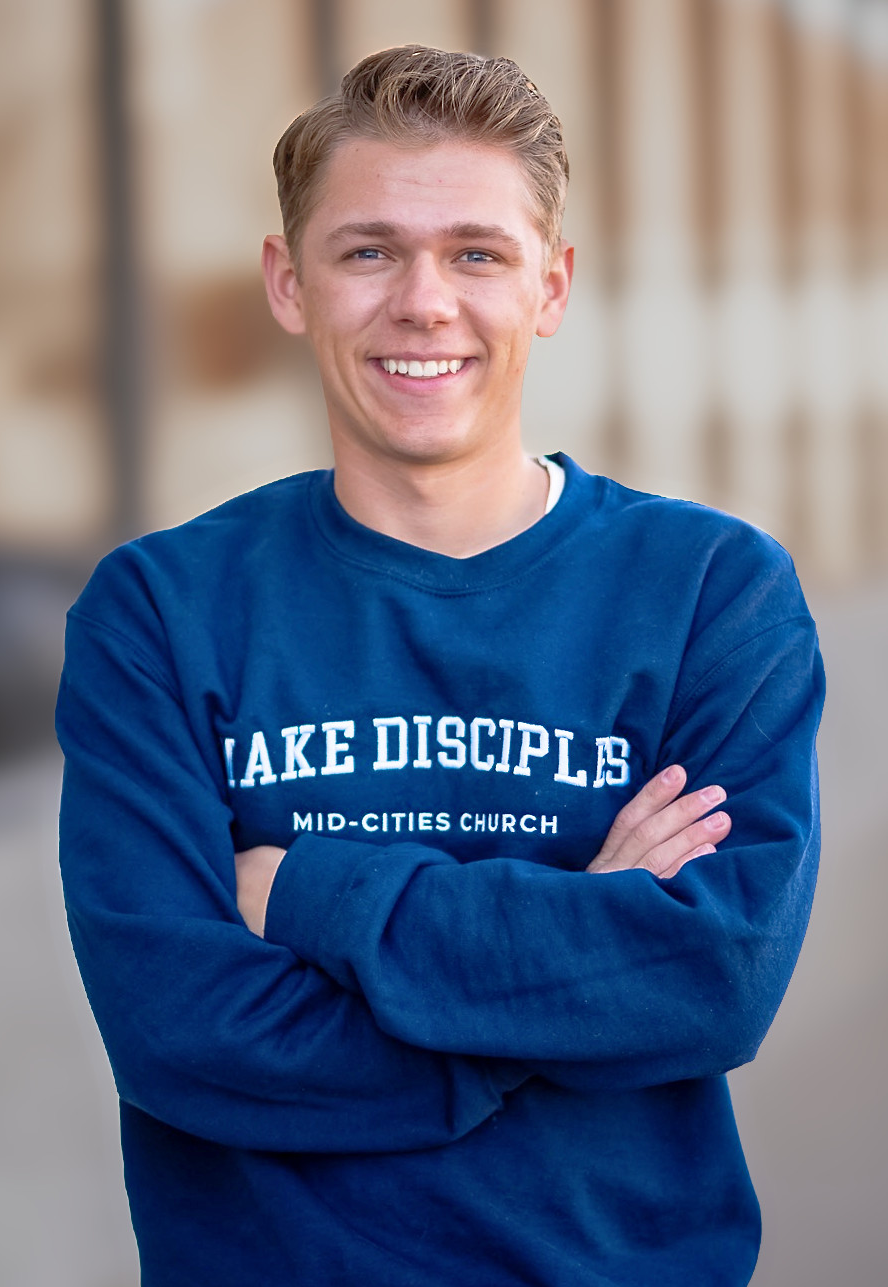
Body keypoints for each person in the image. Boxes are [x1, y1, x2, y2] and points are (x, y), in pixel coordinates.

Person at [56, 45, 824, 1287]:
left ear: (549, 286)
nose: (423, 303)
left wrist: (312, 898)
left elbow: (713, 976)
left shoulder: (708, 593)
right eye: (368, 251)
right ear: (288, 283)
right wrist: (574, 971)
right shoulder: (161, 610)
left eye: (476, 254)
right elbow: (178, 1033)